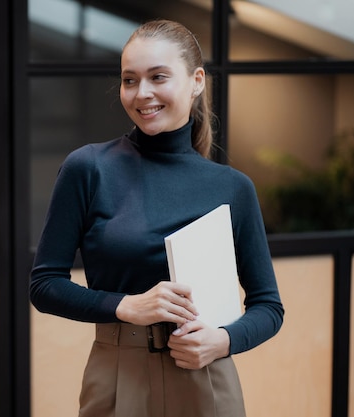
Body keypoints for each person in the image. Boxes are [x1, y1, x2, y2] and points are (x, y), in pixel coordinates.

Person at [29, 19, 284, 417]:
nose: (142, 93)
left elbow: (269, 307)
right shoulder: (88, 168)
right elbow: (44, 285)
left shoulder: (233, 188)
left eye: (157, 77)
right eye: (130, 80)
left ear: (196, 80)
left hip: (207, 378)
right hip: (117, 375)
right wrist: (125, 306)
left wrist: (222, 341)